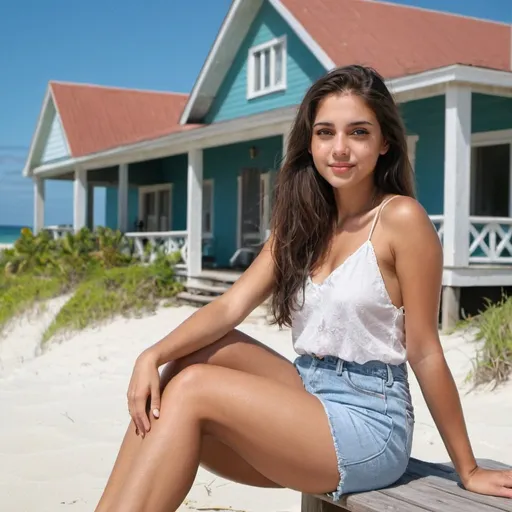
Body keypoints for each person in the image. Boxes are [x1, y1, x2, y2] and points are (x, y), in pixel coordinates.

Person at [94, 65, 512, 512]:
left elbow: (425, 351)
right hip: (307, 391)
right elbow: (231, 305)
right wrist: (151, 355)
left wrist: (466, 469)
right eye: (325, 132)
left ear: (384, 142)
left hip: (370, 421)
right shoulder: (302, 224)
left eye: (358, 132)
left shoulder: (401, 220)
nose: (340, 149)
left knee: (194, 386)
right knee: (185, 362)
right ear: (309, 141)